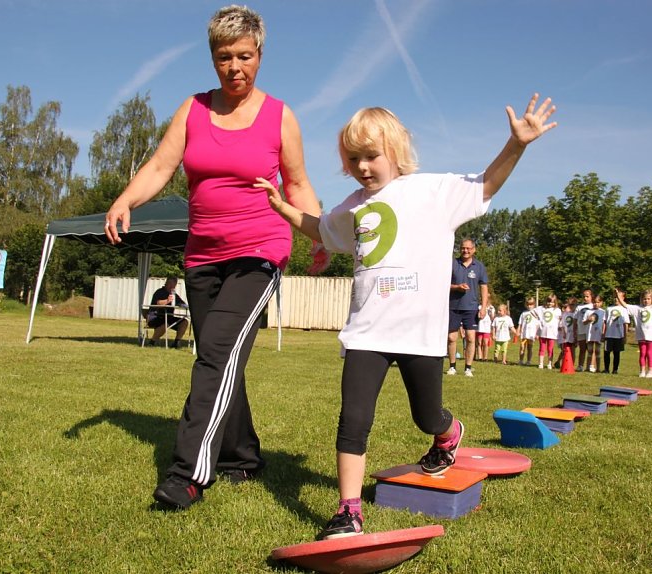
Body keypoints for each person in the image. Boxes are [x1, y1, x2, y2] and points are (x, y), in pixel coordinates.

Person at [261, 94, 557, 539]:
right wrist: (285, 209)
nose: (362, 166)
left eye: (371, 156)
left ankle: (447, 431)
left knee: (426, 415)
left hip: (419, 334)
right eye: (353, 158)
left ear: (396, 153)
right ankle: (348, 510)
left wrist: (517, 145)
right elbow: (323, 230)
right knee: (353, 420)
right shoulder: (353, 205)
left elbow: (486, 186)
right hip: (366, 332)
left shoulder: (432, 191)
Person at [104, 5, 328, 510]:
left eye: (245, 57)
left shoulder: (279, 116)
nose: (235, 68)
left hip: (260, 250)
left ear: (260, 55)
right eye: (224, 57)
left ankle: (188, 472)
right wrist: (124, 199)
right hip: (202, 255)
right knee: (224, 359)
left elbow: (297, 183)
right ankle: (242, 454)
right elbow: (161, 165)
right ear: (212, 57)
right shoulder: (193, 110)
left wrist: (316, 234)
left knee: (215, 356)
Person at [447, 239, 489, 377]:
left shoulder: (479, 266)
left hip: (471, 308)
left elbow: (484, 287)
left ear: (474, 249)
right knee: (452, 338)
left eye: (468, 248)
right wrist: (457, 287)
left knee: (471, 338)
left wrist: (483, 307)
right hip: (453, 306)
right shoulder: (452, 263)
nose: (465, 251)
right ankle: (452, 366)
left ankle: (468, 368)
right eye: (463, 248)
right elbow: (443, 283)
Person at [146, 277, 189, 348]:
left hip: (168, 317)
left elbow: (182, 303)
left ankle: (176, 342)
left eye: (174, 286)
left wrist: (183, 305)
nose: (172, 287)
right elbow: (158, 303)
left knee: (184, 322)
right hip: (155, 316)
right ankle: (152, 342)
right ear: (166, 283)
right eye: (170, 285)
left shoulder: (173, 294)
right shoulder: (159, 292)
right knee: (165, 324)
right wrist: (167, 301)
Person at [603, 295, 630, 374]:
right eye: (614, 297)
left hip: (618, 335)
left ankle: (615, 369)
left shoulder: (624, 310)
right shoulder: (608, 309)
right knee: (606, 352)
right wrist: (603, 333)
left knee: (616, 353)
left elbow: (626, 324)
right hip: (608, 334)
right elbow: (604, 322)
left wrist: (625, 336)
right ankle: (606, 369)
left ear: (623, 298)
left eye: (618, 298)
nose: (616, 299)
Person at [533, 294, 561, 370]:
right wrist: (538, 318)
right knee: (542, 348)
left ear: (555, 302)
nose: (550, 304)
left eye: (552, 302)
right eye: (548, 302)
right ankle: (541, 363)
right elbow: (533, 311)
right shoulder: (542, 309)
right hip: (542, 332)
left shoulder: (557, 310)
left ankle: (549, 363)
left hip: (552, 333)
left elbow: (560, 319)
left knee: (550, 349)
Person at [583, 294, 606, 373]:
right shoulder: (588, 311)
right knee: (589, 350)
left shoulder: (603, 312)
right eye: (594, 302)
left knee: (597, 351)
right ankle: (587, 367)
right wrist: (588, 320)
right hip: (590, 334)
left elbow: (604, 323)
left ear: (601, 303)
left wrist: (603, 333)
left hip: (598, 334)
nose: (596, 304)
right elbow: (584, 323)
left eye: (598, 302)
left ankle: (598, 368)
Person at [574, 289, 594, 372]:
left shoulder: (594, 306)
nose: (585, 298)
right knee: (582, 349)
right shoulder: (579, 307)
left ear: (591, 297)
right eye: (584, 296)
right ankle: (580, 365)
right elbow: (575, 319)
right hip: (581, 330)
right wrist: (575, 330)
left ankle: (590, 366)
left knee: (590, 350)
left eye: (587, 296)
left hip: (590, 331)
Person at [517, 297, 538, 366]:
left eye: (531, 304)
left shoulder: (536, 313)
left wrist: (537, 333)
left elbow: (538, 324)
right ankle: (521, 360)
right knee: (522, 347)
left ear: (534, 304)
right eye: (528, 304)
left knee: (530, 348)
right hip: (524, 334)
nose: (529, 306)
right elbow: (520, 323)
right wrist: (518, 330)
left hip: (531, 334)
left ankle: (529, 361)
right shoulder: (523, 313)